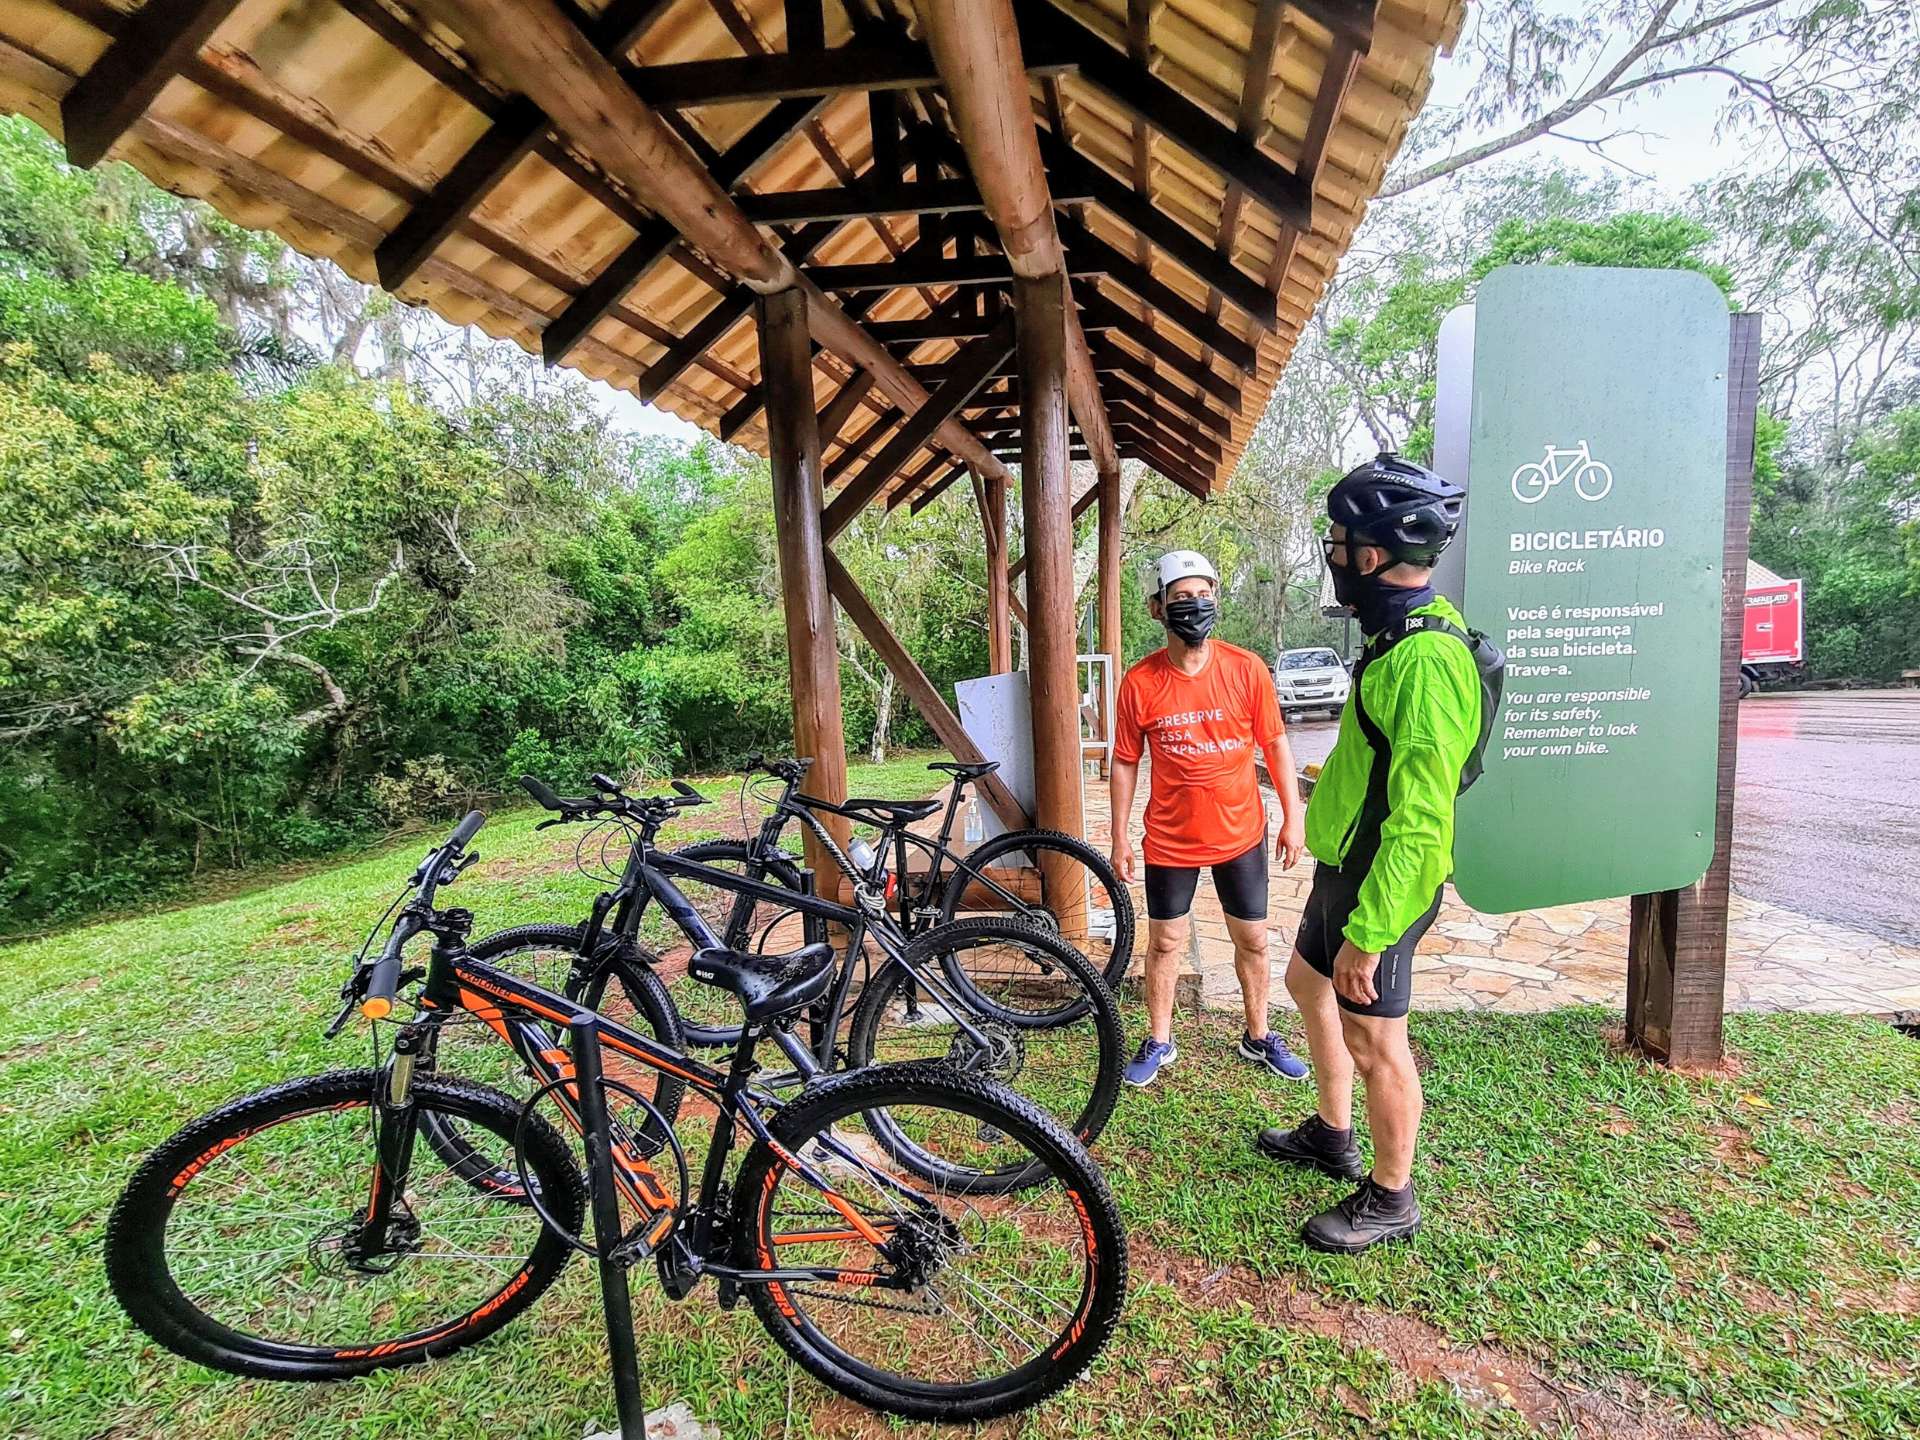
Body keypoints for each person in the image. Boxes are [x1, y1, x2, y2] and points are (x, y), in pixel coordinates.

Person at [1257, 452, 1478, 1254]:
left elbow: (1422, 818)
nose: (1334, 555)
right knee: (1303, 982)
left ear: (1374, 556)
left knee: (1376, 1039)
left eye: (1341, 542)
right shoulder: (1396, 639)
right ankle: (1332, 1131)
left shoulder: (1426, 659)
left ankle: (1391, 1194)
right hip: (1346, 865)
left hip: (1383, 881)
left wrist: (1372, 931)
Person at [1109, 550, 1307, 1088]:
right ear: (1157, 608)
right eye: (1181, 598)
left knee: (1254, 940)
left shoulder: (1247, 669)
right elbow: (1125, 761)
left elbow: (1276, 744)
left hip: (1241, 833)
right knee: (1166, 942)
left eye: (1204, 595)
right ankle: (1158, 1039)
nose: (1195, 607)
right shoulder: (1140, 682)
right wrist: (1119, 836)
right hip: (1170, 840)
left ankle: (1259, 1035)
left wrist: (1294, 817)